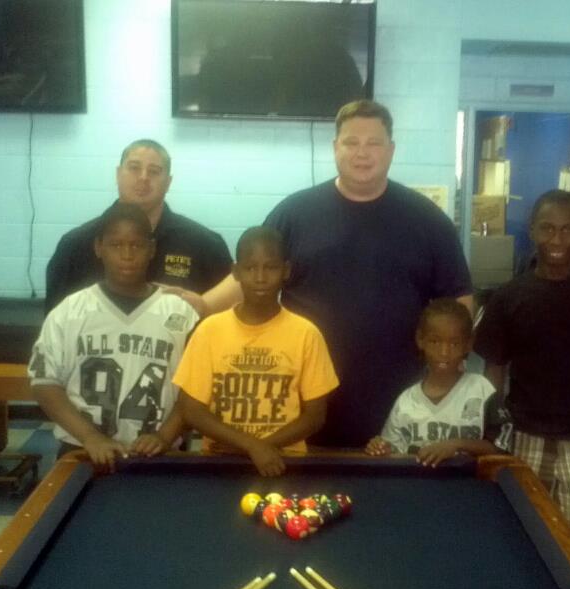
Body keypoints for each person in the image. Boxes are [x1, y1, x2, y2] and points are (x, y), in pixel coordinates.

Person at [182, 101, 473, 448]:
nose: (362, 153)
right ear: (335, 148)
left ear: (391, 150)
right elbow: (252, 271)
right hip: (301, 404)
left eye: (374, 143)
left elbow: (459, 299)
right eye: (351, 142)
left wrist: (452, 371)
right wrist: (203, 304)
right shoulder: (294, 213)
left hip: (399, 404)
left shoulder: (428, 220)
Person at [474, 189, 570, 561]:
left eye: (568, 229)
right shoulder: (508, 298)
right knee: (524, 549)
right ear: (532, 230)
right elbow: (493, 373)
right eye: (547, 228)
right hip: (524, 440)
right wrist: (490, 437)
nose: (557, 240)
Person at [29, 202, 200, 470]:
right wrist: (90, 437)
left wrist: (165, 436)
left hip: (158, 453)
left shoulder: (180, 313)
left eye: (136, 245)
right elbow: (44, 383)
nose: (127, 255)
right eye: (116, 245)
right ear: (99, 247)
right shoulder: (70, 311)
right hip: (83, 451)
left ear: (152, 249)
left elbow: (195, 389)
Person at [172, 226, 339, 476]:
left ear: (286, 270)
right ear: (236, 272)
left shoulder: (307, 334)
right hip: (218, 464)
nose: (260, 277)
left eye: (270, 268)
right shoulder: (209, 330)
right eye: (250, 268)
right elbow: (191, 409)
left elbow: (315, 416)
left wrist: (259, 447)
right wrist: (252, 446)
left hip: (284, 463)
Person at [44, 139, 233, 312]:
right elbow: (55, 324)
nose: (143, 177)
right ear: (118, 175)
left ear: (168, 183)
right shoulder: (75, 246)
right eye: (134, 168)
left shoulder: (205, 246)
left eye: (154, 171)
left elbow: (229, 321)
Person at [365, 298, 504, 466]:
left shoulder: (482, 390)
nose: (444, 352)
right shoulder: (406, 402)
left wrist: (456, 444)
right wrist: (381, 448)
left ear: (468, 344)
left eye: (454, 343)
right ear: (420, 340)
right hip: (417, 482)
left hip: (469, 482)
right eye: (435, 341)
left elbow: (500, 448)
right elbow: (393, 453)